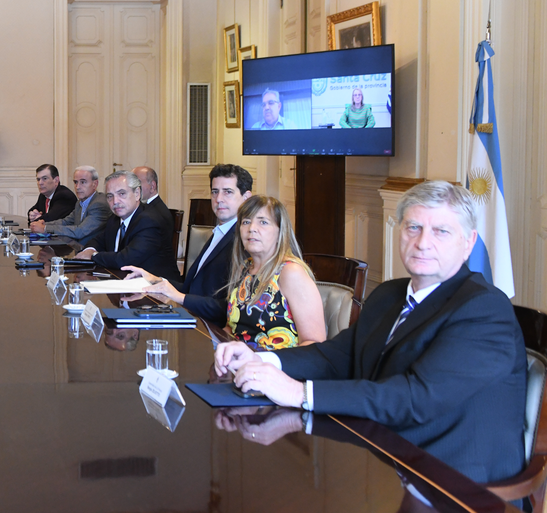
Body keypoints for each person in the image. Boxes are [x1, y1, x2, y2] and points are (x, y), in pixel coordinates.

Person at [213, 181, 527, 484]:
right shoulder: (389, 294)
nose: (422, 242)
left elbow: (416, 398)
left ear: (469, 242)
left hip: (452, 484)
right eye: (413, 227)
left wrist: (299, 393)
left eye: (441, 231)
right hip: (378, 456)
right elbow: (337, 356)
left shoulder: (483, 308)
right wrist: (262, 359)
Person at [124, 164, 252, 326]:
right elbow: (192, 288)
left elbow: (231, 308)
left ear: (246, 197)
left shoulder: (246, 241)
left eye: (227, 192)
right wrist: (154, 280)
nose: (219, 198)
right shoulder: (220, 233)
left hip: (212, 330)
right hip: (194, 320)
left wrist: (180, 298)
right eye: (215, 191)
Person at [222, 195, 325, 349]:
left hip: (280, 362)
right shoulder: (244, 269)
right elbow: (232, 329)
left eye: (263, 222)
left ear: (280, 232)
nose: (252, 228)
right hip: (240, 360)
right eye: (246, 222)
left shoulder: (290, 272)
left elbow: (315, 344)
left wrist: (264, 361)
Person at [74, 171, 179, 280]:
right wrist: (88, 250)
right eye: (110, 196)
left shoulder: (149, 220)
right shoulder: (115, 219)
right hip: (123, 280)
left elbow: (125, 260)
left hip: (157, 286)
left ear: (137, 193)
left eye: (122, 194)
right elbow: (98, 240)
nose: (115, 201)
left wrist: (93, 255)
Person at [28, 166, 110, 248]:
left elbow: (80, 231)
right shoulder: (80, 202)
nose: (77, 187)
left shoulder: (99, 204)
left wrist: (45, 228)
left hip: (92, 252)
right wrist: (43, 224)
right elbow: (65, 222)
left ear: (95, 184)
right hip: (78, 248)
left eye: (83, 182)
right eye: (76, 182)